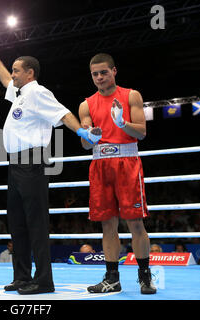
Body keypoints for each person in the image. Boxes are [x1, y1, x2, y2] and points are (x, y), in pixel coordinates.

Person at [0, 31, 102, 295]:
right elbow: (2, 78)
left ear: (29, 73)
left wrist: (81, 132)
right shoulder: (21, 94)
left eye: (16, 71)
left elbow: (64, 113)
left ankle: (44, 281)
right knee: (18, 223)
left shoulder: (38, 92)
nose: (12, 74)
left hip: (32, 161)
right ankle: (22, 276)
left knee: (35, 223)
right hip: (15, 164)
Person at [78, 53, 156, 294]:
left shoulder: (131, 95)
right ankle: (112, 278)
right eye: (95, 74)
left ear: (114, 71)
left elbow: (142, 132)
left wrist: (123, 124)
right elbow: (85, 145)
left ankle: (145, 277)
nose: (99, 77)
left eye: (104, 72)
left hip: (127, 163)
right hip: (100, 165)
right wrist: (89, 135)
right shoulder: (86, 104)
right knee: (107, 226)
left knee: (135, 223)